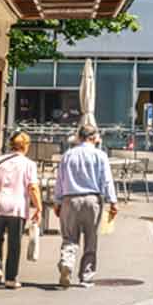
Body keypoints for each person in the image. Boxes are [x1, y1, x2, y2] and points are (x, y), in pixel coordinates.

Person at [54, 123, 117, 289]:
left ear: (79, 137)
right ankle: (86, 277)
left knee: (69, 237)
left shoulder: (67, 155)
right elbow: (106, 180)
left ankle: (67, 263)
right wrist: (113, 201)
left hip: (70, 199)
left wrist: (57, 201)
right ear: (94, 137)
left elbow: (59, 180)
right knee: (91, 238)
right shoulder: (100, 155)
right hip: (92, 200)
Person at [0, 132, 41, 289]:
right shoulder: (29, 164)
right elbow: (33, 187)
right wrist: (39, 207)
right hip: (17, 208)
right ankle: (11, 279)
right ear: (25, 146)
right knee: (14, 244)